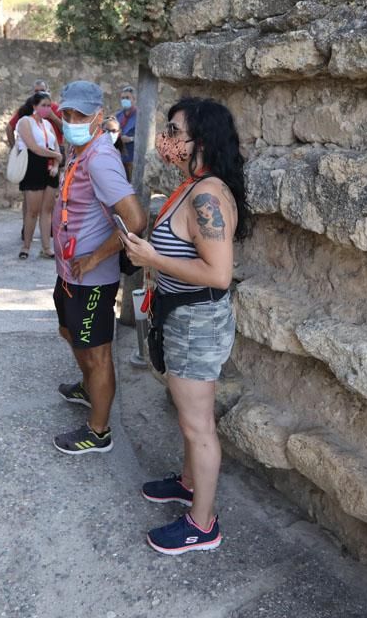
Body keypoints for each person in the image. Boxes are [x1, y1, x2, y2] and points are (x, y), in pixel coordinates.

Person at [120, 96, 250, 556]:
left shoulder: (207, 195)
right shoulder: (192, 186)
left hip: (197, 322)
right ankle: (189, 481)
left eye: (174, 131)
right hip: (181, 317)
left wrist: (151, 258)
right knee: (187, 414)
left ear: (201, 140)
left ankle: (203, 524)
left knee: (198, 426)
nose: (166, 140)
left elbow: (218, 274)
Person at [50, 81, 146, 455]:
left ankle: (98, 431)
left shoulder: (101, 158)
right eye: (67, 114)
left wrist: (93, 258)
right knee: (69, 331)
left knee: (98, 353)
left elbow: (135, 219)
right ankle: (89, 387)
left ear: (98, 118)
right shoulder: (79, 150)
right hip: (70, 273)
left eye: (80, 115)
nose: (72, 120)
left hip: (91, 279)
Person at [16, 92, 62, 260]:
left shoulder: (49, 124)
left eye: (49, 106)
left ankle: (46, 247)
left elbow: (56, 147)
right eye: (43, 105)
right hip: (33, 166)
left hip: (50, 167)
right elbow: (33, 147)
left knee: (47, 210)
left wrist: (56, 163)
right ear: (34, 106)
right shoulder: (24, 122)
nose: (46, 109)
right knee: (32, 211)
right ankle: (26, 246)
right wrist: (56, 156)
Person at [115, 85, 138, 181]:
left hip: (133, 159)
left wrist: (130, 139)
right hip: (118, 157)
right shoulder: (118, 116)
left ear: (134, 99)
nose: (124, 100)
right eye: (123, 98)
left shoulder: (140, 116)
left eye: (127, 98)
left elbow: (146, 137)